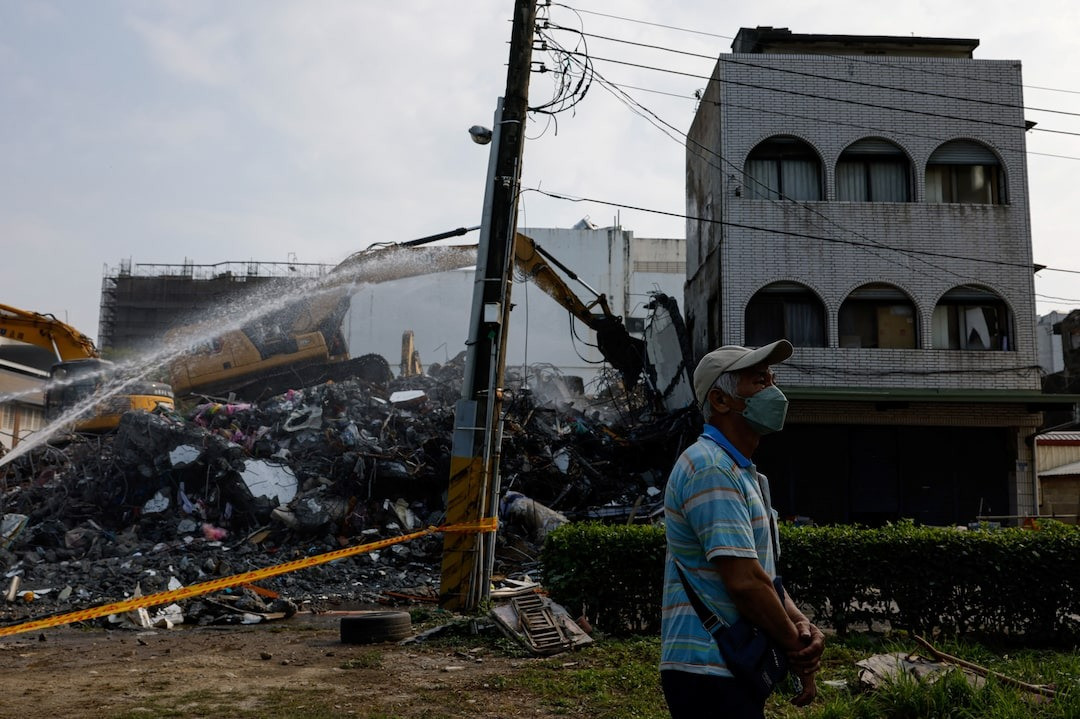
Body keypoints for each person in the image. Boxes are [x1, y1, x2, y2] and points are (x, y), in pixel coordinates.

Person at [660, 340, 825, 718]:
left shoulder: (743, 473)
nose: (774, 391)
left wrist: (800, 623)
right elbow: (745, 583)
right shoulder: (710, 468)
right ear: (720, 400)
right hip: (707, 669)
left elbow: (762, 576)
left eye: (772, 378)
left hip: (726, 666)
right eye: (759, 381)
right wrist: (796, 648)